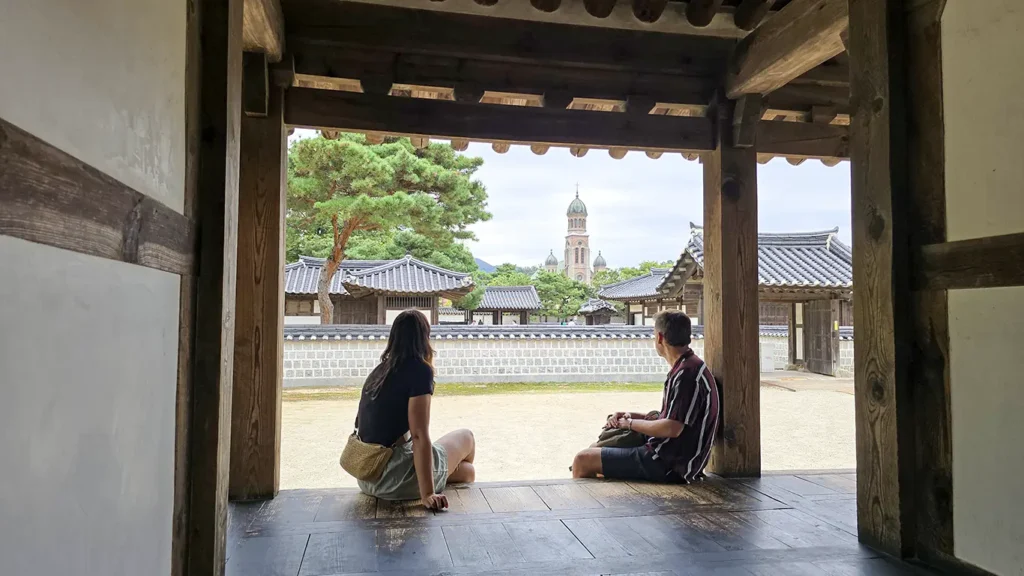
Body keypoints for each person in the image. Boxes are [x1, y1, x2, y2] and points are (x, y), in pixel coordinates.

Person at [571, 310, 719, 483]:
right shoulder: (688, 366)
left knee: (582, 460)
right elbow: (672, 418)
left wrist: (630, 424)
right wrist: (633, 416)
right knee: (596, 448)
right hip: (670, 454)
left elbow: (672, 428)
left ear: (660, 338)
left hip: (670, 464)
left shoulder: (687, 374)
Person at [351, 309, 476, 510]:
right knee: (467, 437)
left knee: (467, 472)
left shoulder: (379, 371)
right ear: (424, 337)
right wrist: (427, 495)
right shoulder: (419, 370)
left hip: (368, 477)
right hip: (394, 477)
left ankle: (435, 481)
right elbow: (418, 436)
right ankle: (429, 486)